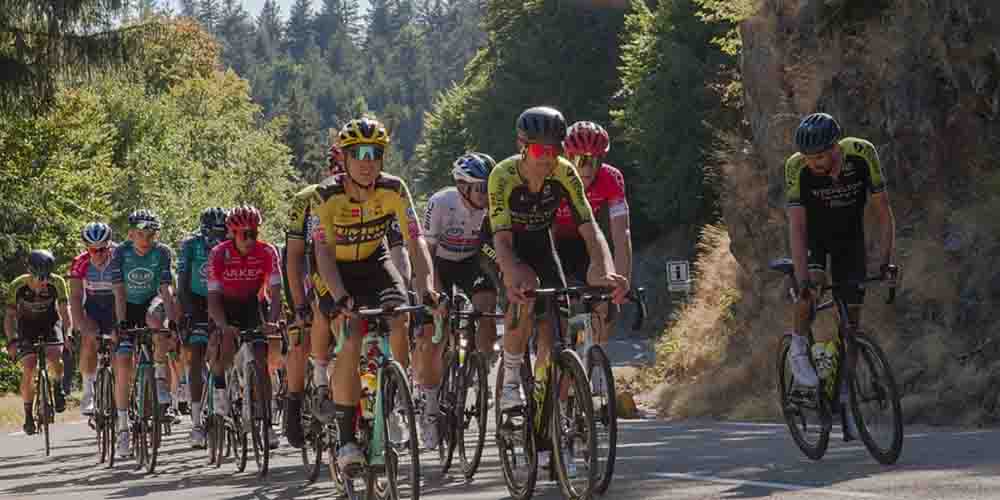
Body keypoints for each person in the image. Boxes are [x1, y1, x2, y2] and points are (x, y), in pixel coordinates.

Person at [487, 106, 627, 467]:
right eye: (539, 150)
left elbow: (591, 229)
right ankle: (511, 379)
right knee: (524, 292)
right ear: (522, 146)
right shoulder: (503, 175)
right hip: (507, 244)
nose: (548, 158)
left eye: (555, 149)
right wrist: (511, 273)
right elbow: (501, 240)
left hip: (541, 244)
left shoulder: (565, 172)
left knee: (558, 327)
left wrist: (602, 268)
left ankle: (546, 398)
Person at [311, 116, 442, 474]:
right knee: (352, 335)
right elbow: (322, 252)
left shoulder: (394, 189)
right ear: (344, 158)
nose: (367, 162)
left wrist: (426, 286)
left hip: (374, 261)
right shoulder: (326, 195)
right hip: (335, 269)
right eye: (359, 153)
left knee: (399, 316)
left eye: (375, 153)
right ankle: (345, 439)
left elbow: (415, 240)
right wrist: (340, 296)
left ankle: (394, 397)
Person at [783, 112, 896, 438]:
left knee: (852, 324)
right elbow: (797, 226)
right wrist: (802, 278)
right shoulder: (796, 167)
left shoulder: (862, 153)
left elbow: (883, 211)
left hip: (850, 240)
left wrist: (886, 260)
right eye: (808, 157)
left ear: (836, 147)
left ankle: (846, 391)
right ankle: (799, 350)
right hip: (814, 241)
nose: (813, 163)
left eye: (819, 156)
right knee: (811, 290)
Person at [417, 151, 497, 449]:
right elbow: (426, 252)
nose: (486, 195)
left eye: (489, 188)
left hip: (471, 263)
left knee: (487, 307)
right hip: (439, 264)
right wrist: (434, 293)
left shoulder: (492, 208)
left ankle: (481, 368)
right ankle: (430, 408)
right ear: (462, 187)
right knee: (435, 336)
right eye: (481, 188)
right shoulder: (441, 202)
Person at [555, 121, 632, 385]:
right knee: (556, 309)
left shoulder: (611, 178)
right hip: (553, 242)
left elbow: (621, 233)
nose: (587, 168)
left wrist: (623, 280)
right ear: (567, 157)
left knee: (607, 294)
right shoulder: (553, 174)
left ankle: (595, 367)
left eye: (595, 160)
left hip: (588, 241)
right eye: (580, 160)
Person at [206, 205, 283, 449]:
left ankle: (267, 424)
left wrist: (272, 322)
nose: (250, 239)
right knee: (225, 346)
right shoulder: (219, 254)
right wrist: (223, 325)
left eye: (254, 233)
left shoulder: (267, 252)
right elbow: (212, 298)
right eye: (244, 234)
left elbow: (276, 293)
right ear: (232, 234)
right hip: (224, 305)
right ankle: (221, 393)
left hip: (253, 304)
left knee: (261, 359)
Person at [109, 209, 178, 458]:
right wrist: (121, 323)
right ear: (131, 234)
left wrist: (172, 320)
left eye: (151, 235)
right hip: (126, 305)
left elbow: (166, 290)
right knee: (123, 363)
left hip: (151, 301)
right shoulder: (120, 253)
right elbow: (118, 291)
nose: (146, 240)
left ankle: (159, 382)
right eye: (141, 234)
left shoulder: (162, 252)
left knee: (158, 327)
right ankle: (123, 428)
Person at [176, 207, 228, 448]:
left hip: (224, 299)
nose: (218, 238)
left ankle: (232, 396)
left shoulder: (232, 244)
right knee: (195, 356)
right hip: (195, 300)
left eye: (222, 232)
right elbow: (182, 283)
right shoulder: (190, 245)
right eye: (213, 233)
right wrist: (187, 314)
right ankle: (196, 423)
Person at [4, 250, 71, 435]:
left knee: (56, 357)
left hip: (50, 324)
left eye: (47, 277)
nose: (44, 282)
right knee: (29, 367)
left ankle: (57, 386)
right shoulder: (17, 285)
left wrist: (68, 333)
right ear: (30, 272)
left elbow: (65, 311)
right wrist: (11, 341)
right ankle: (27, 414)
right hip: (27, 327)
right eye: (40, 278)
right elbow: (9, 317)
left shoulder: (58, 282)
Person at [67, 223, 116, 418]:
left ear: (109, 245)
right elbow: (75, 297)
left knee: (120, 346)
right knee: (89, 339)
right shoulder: (80, 262)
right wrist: (80, 325)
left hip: (116, 306)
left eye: (102, 249)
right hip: (93, 308)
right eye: (93, 250)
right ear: (87, 248)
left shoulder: (119, 257)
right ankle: (89, 393)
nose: (98, 254)